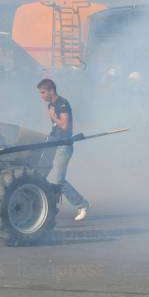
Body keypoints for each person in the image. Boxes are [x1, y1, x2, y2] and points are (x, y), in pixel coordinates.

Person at [37, 78, 89, 221]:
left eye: (43, 92)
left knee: (58, 180)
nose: (41, 96)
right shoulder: (50, 105)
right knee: (40, 172)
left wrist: (54, 117)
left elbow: (65, 126)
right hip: (53, 142)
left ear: (51, 91)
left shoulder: (62, 103)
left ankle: (81, 204)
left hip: (63, 145)